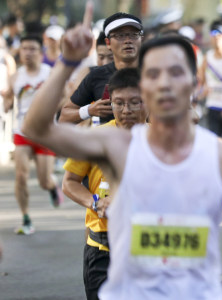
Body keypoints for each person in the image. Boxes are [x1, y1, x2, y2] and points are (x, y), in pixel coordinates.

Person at [22, 7, 222, 299]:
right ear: (144, 87)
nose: (164, 82)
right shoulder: (116, 145)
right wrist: (67, 62)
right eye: (153, 74)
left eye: (175, 72)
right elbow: (36, 128)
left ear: (193, 83)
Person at [62, 68, 147, 299]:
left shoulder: (165, 141)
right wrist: (96, 202)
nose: (126, 110)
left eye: (135, 102)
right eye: (119, 103)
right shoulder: (94, 138)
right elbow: (69, 183)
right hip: (102, 246)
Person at [3, 34, 62, 235]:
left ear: (40, 52)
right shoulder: (15, 77)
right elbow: (8, 101)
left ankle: (53, 186)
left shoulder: (50, 73)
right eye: (24, 49)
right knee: (21, 176)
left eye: (32, 49)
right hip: (22, 132)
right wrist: (6, 103)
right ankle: (26, 218)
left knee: (44, 182)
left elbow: (65, 96)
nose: (28, 53)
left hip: (45, 133)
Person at [59, 13, 144, 125]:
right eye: (120, 35)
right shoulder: (97, 75)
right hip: (106, 135)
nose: (128, 40)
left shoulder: (155, 73)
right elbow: (64, 117)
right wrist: (89, 110)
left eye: (134, 35)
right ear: (108, 43)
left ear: (141, 39)